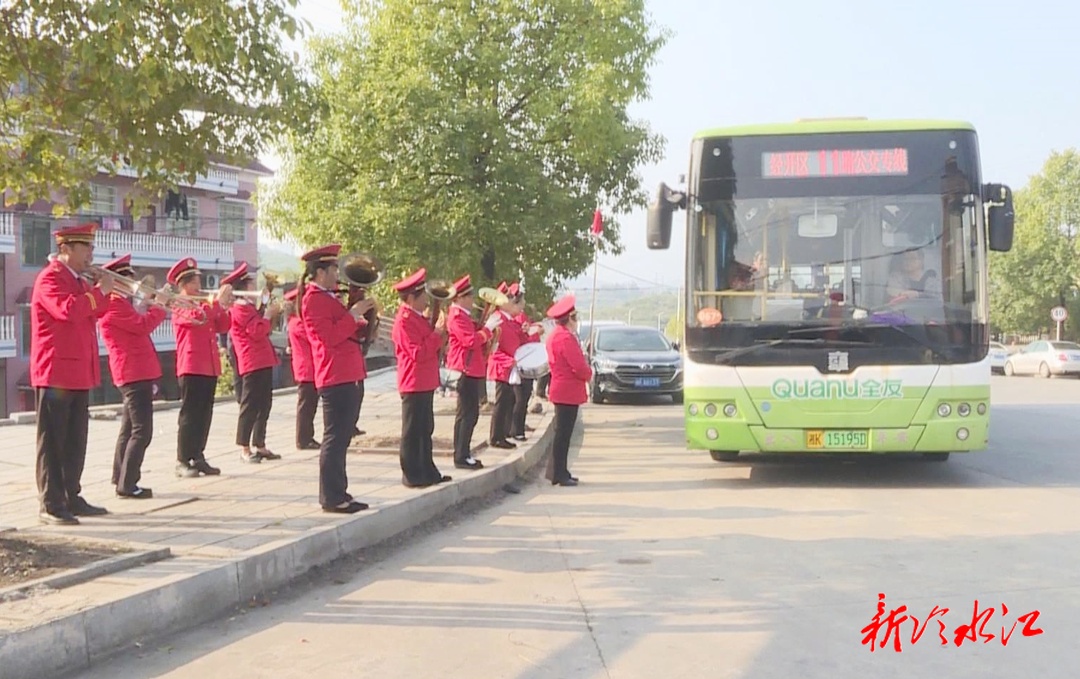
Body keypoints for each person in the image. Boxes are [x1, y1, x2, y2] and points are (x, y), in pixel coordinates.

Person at [31, 223, 113, 525]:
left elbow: (97, 312)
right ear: (66, 248)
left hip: (78, 370)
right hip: (56, 372)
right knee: (53, 440)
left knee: (76, 439)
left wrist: (99, 291)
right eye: (86, 247)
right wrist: (98, 292)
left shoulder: (78, 280)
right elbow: (68, 310)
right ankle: (51, 502)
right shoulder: (51, 278)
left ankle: (70, 494)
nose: (91, 253)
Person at [299, 244, 375, 513]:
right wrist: (353, 315)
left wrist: (361, 318)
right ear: (320, 273)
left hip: (347, 371)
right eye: (333, 269)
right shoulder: (313, 300)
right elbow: (327, 337)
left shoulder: (328, 297)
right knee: (334, 437)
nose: (337, 274)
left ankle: (340, 491)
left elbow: (343, 330)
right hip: (334, 374)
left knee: (342, 437)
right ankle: (331, 497)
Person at [99, 254, 167, 499]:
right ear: (117, 281)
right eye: (127, 278)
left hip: (135, 370)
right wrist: (159, 305)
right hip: (133, 371)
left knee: (128, 429)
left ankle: (121, 476)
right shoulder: (114, 303)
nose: (133, 283)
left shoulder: (123, 303)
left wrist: (151, 302)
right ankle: (128, 484)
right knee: (142, 431)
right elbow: (141, 326)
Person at [170, 257, 233, 478]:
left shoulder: (203, 302)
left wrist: (224, 307)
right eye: (195, 282)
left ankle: (198, 455)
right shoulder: (179, 303)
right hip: (191, 365)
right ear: (184, 284)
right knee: (190, 414)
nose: (199, 286)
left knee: (205, 413)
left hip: (209, 365)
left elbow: (223, 325)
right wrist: (216, 304)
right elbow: (198, 318)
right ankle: (182, 459)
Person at [392, 268, 452, 488]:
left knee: (426, 428)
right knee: (412, 430)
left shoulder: (417, 318)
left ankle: (428, 470)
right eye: (422, 296)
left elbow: (432, 345)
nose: (427, 300)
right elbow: (417, 352)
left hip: (425, 380)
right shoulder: (404, 321)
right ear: (410, 298)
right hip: (413, 381)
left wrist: (440, 333)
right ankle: (411, 474)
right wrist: (436, 334)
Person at [225, 263, 282, 464]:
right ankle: (244, 447)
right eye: (250, 285)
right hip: (252, 361)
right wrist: (267, 315)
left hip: (262, 359)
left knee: (264, 404)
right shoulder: (239, 309)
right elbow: (257, 331)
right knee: (250, 406)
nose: (253, 289)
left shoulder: (248, 308)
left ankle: (260, 443)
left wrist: (265, 309)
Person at [446, 273, 502, 470]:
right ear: (459, 298)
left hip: (471, 368)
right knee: (466, 414)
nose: (472, 300)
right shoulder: (456, 316)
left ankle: (464, 452)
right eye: (469, 296)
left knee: (471, 413)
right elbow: (469, 340)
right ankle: (461, 455)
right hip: (464, 369)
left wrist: (486, 330)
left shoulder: (464, 316)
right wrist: (487, 330)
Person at [545, 295, 592, 487]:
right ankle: (559, 473)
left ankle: (559, 471)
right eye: (575, 317)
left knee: (563, 433)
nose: (577, 321)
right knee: (563, 434)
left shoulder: (556, 336)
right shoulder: (565, 338)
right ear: (570, 318)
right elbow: (578, 366)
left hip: (563, 389)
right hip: (567, 391)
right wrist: (590, 374)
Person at [486, 281, 522, 449]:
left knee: (507, 401)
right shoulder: (497, 319)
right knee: (501, 403)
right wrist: (509, 361)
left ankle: (502, 434)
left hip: (508, 367)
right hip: (501, 366)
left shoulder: (507, 320)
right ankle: (496, 436)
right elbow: (493, 348)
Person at [284, 287, 319, 450]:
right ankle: (303, 439)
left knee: (310, 405)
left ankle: (308, 436)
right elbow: (312, 336)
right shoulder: (296, 322)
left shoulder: (298, 321)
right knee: (306, 406)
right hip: (305, 369)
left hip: (310, 368)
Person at [508, 282, 542, 441]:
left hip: (523, 362)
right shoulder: (518, 318)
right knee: (520, 398)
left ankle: (516, 429)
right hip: (521, 362)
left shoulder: (520, 317)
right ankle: (516, 429)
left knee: (521, 398)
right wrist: (534, 333)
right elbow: (525, 341)